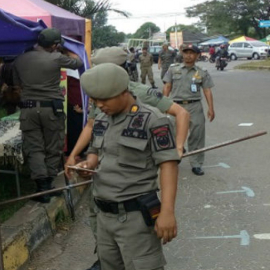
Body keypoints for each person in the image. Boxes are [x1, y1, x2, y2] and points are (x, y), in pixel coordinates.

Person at [65, 47, 189, 270]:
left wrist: (168, 212)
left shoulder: (153, 120)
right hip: (104, 215)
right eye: (95, 100)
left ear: (123, 91)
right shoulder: (102, 118)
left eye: (104, 99)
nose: (100, 105)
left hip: (135, 218)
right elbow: (95, 151)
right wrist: (87, 164)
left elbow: (168, 165)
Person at [12, 28, 83, 203]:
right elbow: (78, 62)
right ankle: (49, 182)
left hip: (28, 109)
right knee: (53, 146)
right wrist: (66, 50)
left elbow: (16, 86)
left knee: (34, 147)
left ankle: (41, 187)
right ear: (54, 45)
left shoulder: (19, 59)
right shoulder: (56, 57)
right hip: (51, 109)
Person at [163, 44, 215, 176]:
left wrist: (211, 108)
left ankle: (196, 163)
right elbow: (167, 86)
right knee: (173, 133)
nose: (188, 55)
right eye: (186, 52)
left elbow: (207, 90)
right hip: (176, 106)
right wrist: (162, 104)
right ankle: (175, 157)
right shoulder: (173, 69)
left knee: (197, 135)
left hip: (195, 106)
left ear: (197, 55)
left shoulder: (202, 72)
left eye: (192, 53)